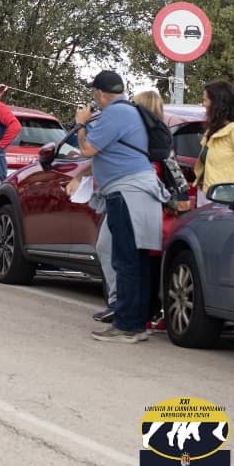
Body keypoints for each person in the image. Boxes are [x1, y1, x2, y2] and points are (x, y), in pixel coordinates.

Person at [71, 70, 168, 343]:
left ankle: (126, 325)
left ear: (100, 93)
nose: (94, 98)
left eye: (94, 93)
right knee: (137, 260)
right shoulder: (130, 111)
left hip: (127, 193)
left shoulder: (115, 113)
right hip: (139, 191)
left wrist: (81, 124)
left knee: (125, 259)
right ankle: (138, 322)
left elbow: (87, 149)